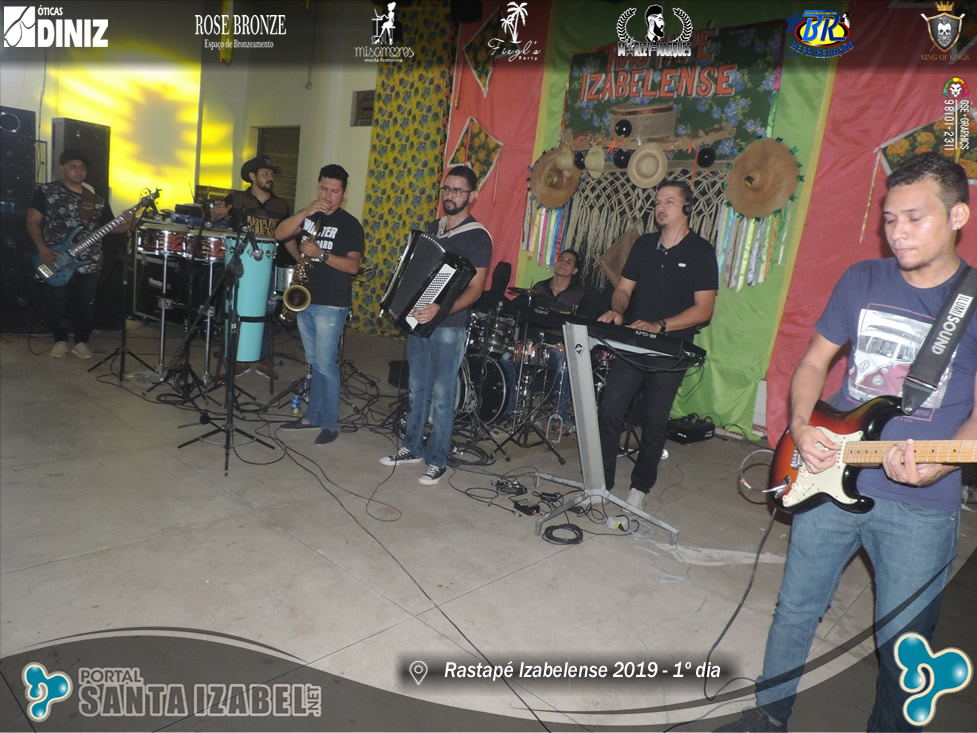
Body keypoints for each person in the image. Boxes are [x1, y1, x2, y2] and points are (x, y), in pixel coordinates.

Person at [719, 154, 977, 733]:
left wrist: (938, 467)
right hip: (828, 471)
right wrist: (802, 426)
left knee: (904, 642)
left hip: (920, 505)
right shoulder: (862, 279)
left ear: (958, 215)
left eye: (915, 218)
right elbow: (815, 362)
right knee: (795, 609)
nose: (898, 232)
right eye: (890, 219)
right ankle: (768, 715)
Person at [597, 179, 718, 510]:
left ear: (687, 208)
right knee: (609, 409)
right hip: (635, 341)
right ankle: (601, 484)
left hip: (671, 348)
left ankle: (640, 487)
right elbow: (623, 289)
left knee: (654, 419)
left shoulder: (701, 252)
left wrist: (660, 325)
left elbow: (704, 310)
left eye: (669, 202)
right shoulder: (644, 244)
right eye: (657, 202)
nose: (660, 208)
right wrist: (618, 309)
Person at [380, 165, 492, 484]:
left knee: (443, 394)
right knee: (418, 388)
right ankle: (412, 447)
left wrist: (440, 311)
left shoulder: (478, 236)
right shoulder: (433, 229)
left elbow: (476, 289)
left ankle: (438, 458)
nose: (450, 196)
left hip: (450, 325)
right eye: (447, 189)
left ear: (472, 195)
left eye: (457, 190)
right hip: (418, 321)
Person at [274, 164, 364, 446]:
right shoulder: (309, 217)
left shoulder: (350, 225)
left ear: (344, 194)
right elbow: (280, 234)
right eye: (323, 189)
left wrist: (321, 255)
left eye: (334, 191)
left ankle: (329, 423)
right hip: (305, 299)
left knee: (326, 365)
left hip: (331, 303)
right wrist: (304, 212)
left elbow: (353, 266)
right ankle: (312, 416)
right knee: (313, 362)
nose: (327, 196)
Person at [27, 149, 132, 359]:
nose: (78, 171)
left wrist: (131, 221)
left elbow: (111, 228)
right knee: (58, 302)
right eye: (73, 166)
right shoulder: (47, 192)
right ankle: (60, 340)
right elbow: (32, 221)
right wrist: (42, 248)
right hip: (56, 257)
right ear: (62, 167)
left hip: (90, 261)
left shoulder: (96, 200)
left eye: (82, 167)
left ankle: (82, 341)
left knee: (87, 304)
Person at [211, 155, 296, 379]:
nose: (270, 177)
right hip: (239, 266)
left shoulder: (281, 205)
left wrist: (299, 259)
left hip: (267, 267)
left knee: (266, 311)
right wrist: (215, 214)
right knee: (236, 310)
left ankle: (263, 360)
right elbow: (213, 219)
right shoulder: (236, 198)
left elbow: (287, 236)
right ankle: (238, 358)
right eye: (265, 173)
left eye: (271, 174)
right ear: (252, 176)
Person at [504, 249, 593, 430]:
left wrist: (567, 344)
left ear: (575, 270)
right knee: (506, 358)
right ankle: (510, 410)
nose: (563, 263)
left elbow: (583, 327)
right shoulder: (539, 288)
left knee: (562, 366)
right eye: (561, 259)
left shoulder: (580, 295)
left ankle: (561, 417)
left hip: (558, 345)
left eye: (569, 262)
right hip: (534, 343)